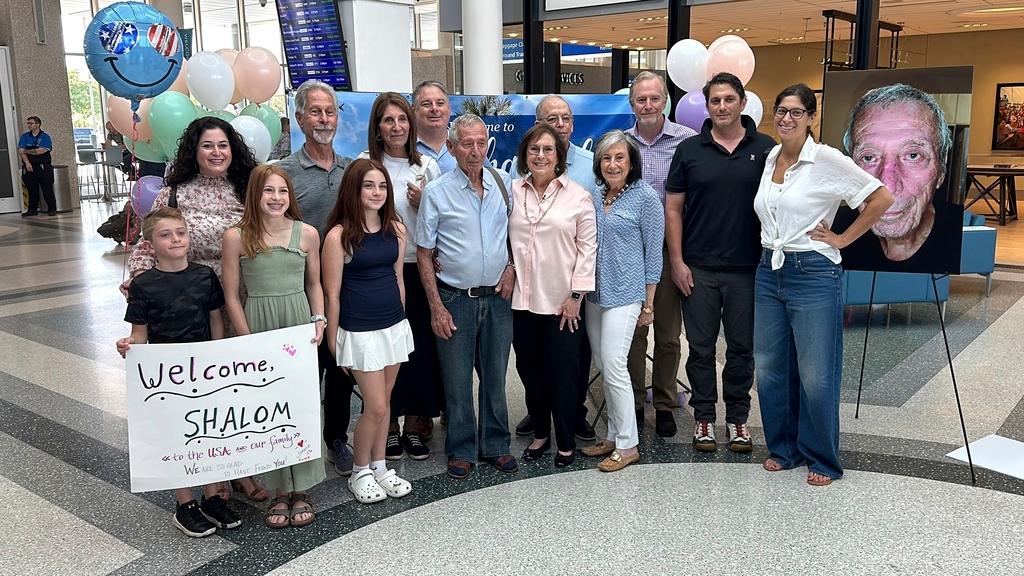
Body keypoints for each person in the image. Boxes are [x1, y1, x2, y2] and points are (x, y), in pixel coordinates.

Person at [754, 84, 893, 486]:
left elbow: (880, 198)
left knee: (815, 371)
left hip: (813, 272)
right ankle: (784, 447)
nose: (786, 119)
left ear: (811, 118)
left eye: (796, 112)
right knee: (771, 367)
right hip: (769, 268)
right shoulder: (771, 157)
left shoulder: (827, 158)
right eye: (781, 111)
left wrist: (844, 239)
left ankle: (822, 458)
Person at [125, 116, 268, 504]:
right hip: (189, 306)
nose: (217, 152)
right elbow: (145, 245)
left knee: (241, 390)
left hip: (243, 300)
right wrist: (143, 293)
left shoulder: (248, 188)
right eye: (208, 145)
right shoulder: (172, 195)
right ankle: (211, 471)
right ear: (194, 150)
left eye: (223, 145)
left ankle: (244, 469)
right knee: (202, 393)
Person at [664, 72, 777, 453]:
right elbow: (673, 209)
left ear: (743, 103)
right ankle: (704, 419)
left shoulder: (766, 148)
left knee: (742, 348)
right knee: (700, 348)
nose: (722, 107)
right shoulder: (689, 150)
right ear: (707, 106)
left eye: (729, 99)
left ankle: (739, 420)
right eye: (715, 101)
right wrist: (677, 262)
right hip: (698, 268)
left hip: (749, 269)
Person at [116, 207, 240, 537]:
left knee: (209, 430)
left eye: (180, 233)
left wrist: (219, 359)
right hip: (167, 374)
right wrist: (130, 347)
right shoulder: (143, 286)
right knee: (177, 435)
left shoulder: (204, 276)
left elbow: (216, 320)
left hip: (204, 368)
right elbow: (140, 334)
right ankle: (184, 503)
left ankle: (213, 496)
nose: (175, 239)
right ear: (149, 243)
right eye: (165, 234)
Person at [221, 165, 327, 528]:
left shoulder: (307, 234)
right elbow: (232, 294)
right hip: (260, 323)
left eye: (283, 191)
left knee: (300, 405)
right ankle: (279, 488)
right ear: (255, 195)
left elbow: (315, 284)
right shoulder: (237, 236)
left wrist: (319, 319)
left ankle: (304, 487)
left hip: (298, 323)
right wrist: (247, 338)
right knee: (269, 411)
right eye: (269, 191)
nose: (277, 198)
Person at [415, 113, 518, 480]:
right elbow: (425, 253)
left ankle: (495, 444)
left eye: (480, 143)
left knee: (495, 376)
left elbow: (516, 237)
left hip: (498, 298)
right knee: (457, 380)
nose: (475, 152)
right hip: (455, 298)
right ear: (453, 147)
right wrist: (436, 307)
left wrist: (512, 269)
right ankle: (460, 448)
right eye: (467, 144)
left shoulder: (503, 182)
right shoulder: (437, 192)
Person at [323, 158, 415, 504]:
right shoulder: (338, 236)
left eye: (381, 186)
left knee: (386, 402)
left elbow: (398, 279)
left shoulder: (396, 229)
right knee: (374, 406)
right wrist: (334, 343)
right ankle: (359, 470)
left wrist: (401, 321)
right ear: (354, 190)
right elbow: (332, 294)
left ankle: (380, 466)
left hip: (393, 326)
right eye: (368, 186)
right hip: (359, 333)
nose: (376, 192)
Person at [278, 79, 357, 477]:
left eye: (329, 111)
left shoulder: (352, 171)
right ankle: (298, 442)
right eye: (315, 111)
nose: (324, 119)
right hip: (300, 291)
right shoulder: (283, 174)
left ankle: (336, 439)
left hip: (344, 289)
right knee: (305, 370)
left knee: (340, 365)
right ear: (299, 117)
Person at [359, 92, 442, 461]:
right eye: (388, 120)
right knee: (384, 348)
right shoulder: (363, 165)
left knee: (417, 348)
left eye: (402, 119)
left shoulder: (425, 165)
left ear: (411, 124)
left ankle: (414, 424)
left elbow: (440, 220)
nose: (396, 127)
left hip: (417, 266)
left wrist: (423, 203)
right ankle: (387, 425)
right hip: (378, 270)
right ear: (377, 127)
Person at [510, 123, 597, 468]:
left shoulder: (578, 196)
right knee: (530, 373)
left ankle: (564, 441)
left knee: (563, 375)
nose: (541, 155)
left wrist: (576, 296)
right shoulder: (513, 191)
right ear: (524, 155)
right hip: (522, 302)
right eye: (534, 150)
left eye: (548, 150)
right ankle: (541, 434)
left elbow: (587, 250)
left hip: (563, 304)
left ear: (559, 156)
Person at [579, 130, 663, 473]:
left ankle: (628, 445)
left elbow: (654, 254)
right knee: (603, 363)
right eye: (606, 158)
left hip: (627, 295)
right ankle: (613, 435)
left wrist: (648, 305)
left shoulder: (646, 198)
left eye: (619, 158)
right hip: (595, 294)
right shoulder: (595, 195)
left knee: (614, 364)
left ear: (632, 163)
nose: (612, 164)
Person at [624, 72, 696, 438]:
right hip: (628, 255)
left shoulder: (688, 142)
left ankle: (665, 403)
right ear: (631, 103)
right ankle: (636, 401)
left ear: (665, 100)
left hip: (670, 253)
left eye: (654, 98)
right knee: (633, 334)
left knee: (668, 335)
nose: (648, 105)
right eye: (641, 99)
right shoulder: (619, 145)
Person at [836, 84, 959, 271]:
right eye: (868, 157)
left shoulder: (959, 239)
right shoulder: (833, 228)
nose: (888, 186)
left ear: (941, 169)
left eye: (913, 155)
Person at [412, 81, 456, 173]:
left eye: (440, 103)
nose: (434, 109)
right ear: (413, 110)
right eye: (426, 104)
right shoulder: (402, 148)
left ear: (449, 108)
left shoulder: (466, 144)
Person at [17, 115, 56, 217]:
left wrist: (25, 150)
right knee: (31, 190)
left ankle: (51, 209)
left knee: (47, 189)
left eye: (31, 123)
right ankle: (32, 210)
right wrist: (27, 163)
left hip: (43, 167)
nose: (29, 125)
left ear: (38, 124)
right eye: (28, 123)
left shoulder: (45, 137)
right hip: (29, 167)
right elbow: (21, 152)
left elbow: (41, 151)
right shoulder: (25, 137)